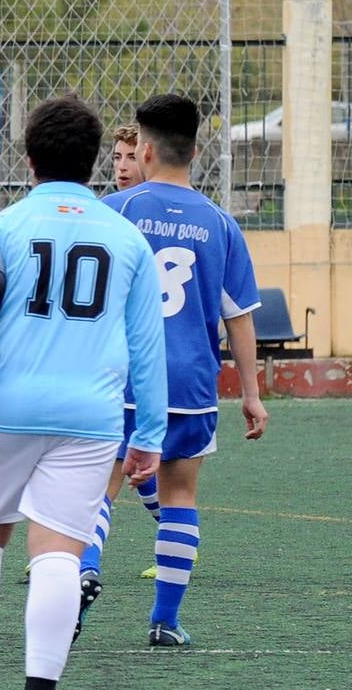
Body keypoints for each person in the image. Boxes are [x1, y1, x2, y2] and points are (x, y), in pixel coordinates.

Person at [0, 94, 166, 690]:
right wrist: (150, 434)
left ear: (28, 159)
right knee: (58, 551)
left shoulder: (3, 229)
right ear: (92, 162)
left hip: (5, 408)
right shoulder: (127, 238)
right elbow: (147, 346)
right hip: (91, 417)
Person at [95, 94, 267, 647]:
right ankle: (165, 622)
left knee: (102, 486)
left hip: (120, 377)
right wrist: (252, 394)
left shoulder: (116, 211)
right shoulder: (220, 224)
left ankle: (83, 571)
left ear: (143, 150)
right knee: (180, 497)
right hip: (190, 382)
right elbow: (238, 318)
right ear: (195, 150)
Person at [68, 123, 165, 637]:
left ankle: (80, 557)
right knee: (117, 472)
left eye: (132, 155)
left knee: (138, 471)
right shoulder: (104, 211)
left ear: (151, 156)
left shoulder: (126, 216)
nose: (123, 165)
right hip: (115, 364)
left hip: (151, 363)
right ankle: (81, 558)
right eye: (117, 157)